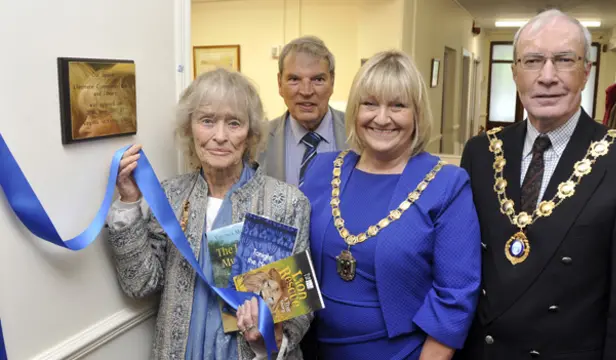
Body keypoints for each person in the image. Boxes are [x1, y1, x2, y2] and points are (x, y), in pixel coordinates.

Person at [456, 9, 616, 360]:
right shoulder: (480, 152)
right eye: (533, 61)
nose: (547, 76)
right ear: (515, 73)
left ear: (586, 72)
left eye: (564, 60)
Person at [105, 68, 311, 360]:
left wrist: (270, 336)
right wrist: (128, 200)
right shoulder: (171, 196)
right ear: (189, 128)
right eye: (207, 121)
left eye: (234, 123)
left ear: (250, 134)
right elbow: (140, 283)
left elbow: (300, 312)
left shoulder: (288, 204)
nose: (220, 136)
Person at [300, 50, 481, 359]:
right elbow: (294, 259)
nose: (382, 118)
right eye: (370, 104)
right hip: (316, 349)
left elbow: (455, 295)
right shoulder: (321, 169)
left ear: (417, 114)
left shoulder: (446, 184)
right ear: (355, 110)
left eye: (397, 105)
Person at [259, 35, 348, 186]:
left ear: (332, 82)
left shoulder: (358, 133)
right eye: (294, 79)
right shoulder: (258, 140)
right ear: (280, 84)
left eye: (318, 80)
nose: (306, 91)